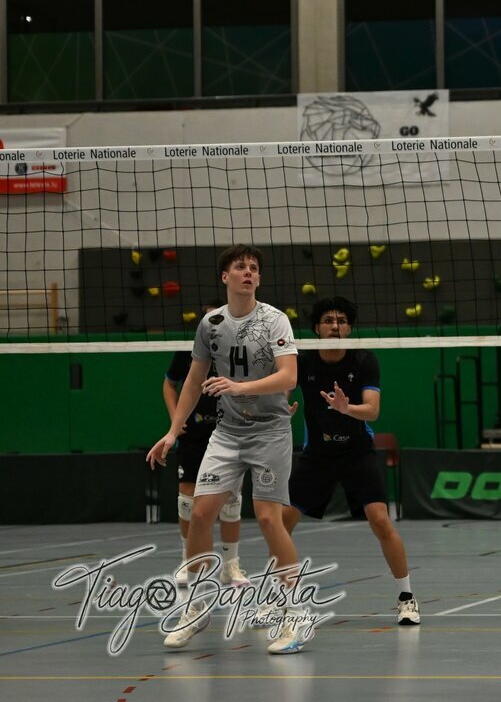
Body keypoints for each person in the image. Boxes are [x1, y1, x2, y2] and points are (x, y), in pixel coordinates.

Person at [147, 244, 311, 655]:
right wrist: (172, 431)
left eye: (254, 267)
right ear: (225, 277)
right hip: (228, 432)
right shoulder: (211, 324)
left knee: (269, 518)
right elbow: (192, 380)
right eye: (240, 267)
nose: (248, 272)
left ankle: (296, 614)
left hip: (270, 430)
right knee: (200, 513)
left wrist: (238, 387)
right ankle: (196, 607)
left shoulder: (275, 319)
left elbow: (288, 377)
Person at [276, 296, 419, 626]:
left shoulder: (364, 359)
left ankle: (406, 597)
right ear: (316, 328)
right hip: (317, 455)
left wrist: (346, 409)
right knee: (280, 525)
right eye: (328, 320)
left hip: (357, 453)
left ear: (350, 328)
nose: (335, 326)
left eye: (341, 321)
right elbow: (283, 392)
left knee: (380, 520)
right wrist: (280, 407)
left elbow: (373, 410)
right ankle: (278, 598)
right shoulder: (303, 360)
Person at [163, 299, 248, 589]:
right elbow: (169, 384)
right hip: (194, 434)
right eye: (208, 319)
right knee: (187, 499)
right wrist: (175, 419)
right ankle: (187, 562)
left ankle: (231, 566)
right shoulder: (189, 350)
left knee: (231, 499)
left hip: (230, 431)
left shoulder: (240, 348)